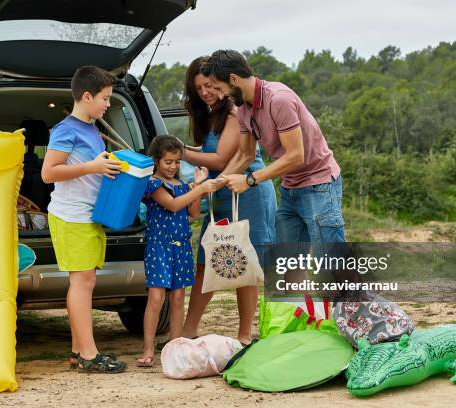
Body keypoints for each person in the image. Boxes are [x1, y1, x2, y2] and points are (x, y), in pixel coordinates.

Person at [203, 50, 346, 249]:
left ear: (234, 79)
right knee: (289, 264)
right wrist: (216, 184)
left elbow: (296, 156)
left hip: (318, 185)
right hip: (290, 188)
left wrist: (249, 180)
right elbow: (246, 154)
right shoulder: (244, 110)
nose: (219, 95)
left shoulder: (279, 99)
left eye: (219, 88)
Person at [179, 57, 276, 345]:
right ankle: (188, 330)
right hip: (220, 190)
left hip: (248, 192)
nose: (205, 92)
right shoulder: (207, 114)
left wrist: (179, 151)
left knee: (242, 262)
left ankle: (244, 335)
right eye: (198, 88)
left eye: (209, 85)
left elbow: (220, 159)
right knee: (207, 260)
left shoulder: (234, 113)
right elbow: (210, 152)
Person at [41, 65, 127, 373]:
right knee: (82, 282)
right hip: (71, 215)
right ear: (87, 96)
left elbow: (93, 167)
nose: (107, 104)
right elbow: (48, 173)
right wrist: (93, 167)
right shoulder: (66, 129)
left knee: (85, 281)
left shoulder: (92, 127)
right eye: (104, 98)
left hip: (88, 215)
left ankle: (79, 352)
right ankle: (89, 355)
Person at [136, 135, 218, 367]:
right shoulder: (153, 184)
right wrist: (199, 187)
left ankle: (175, 347)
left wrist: (197, 188)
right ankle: (149, 349)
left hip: (181, 246)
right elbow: (173, 205)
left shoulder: (182, 186)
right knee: (156, 297)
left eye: (177, 162)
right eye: (168, 162)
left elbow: (192, 212)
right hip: (159, 246)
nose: (173, 166)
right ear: (157, 161)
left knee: (179, 297)